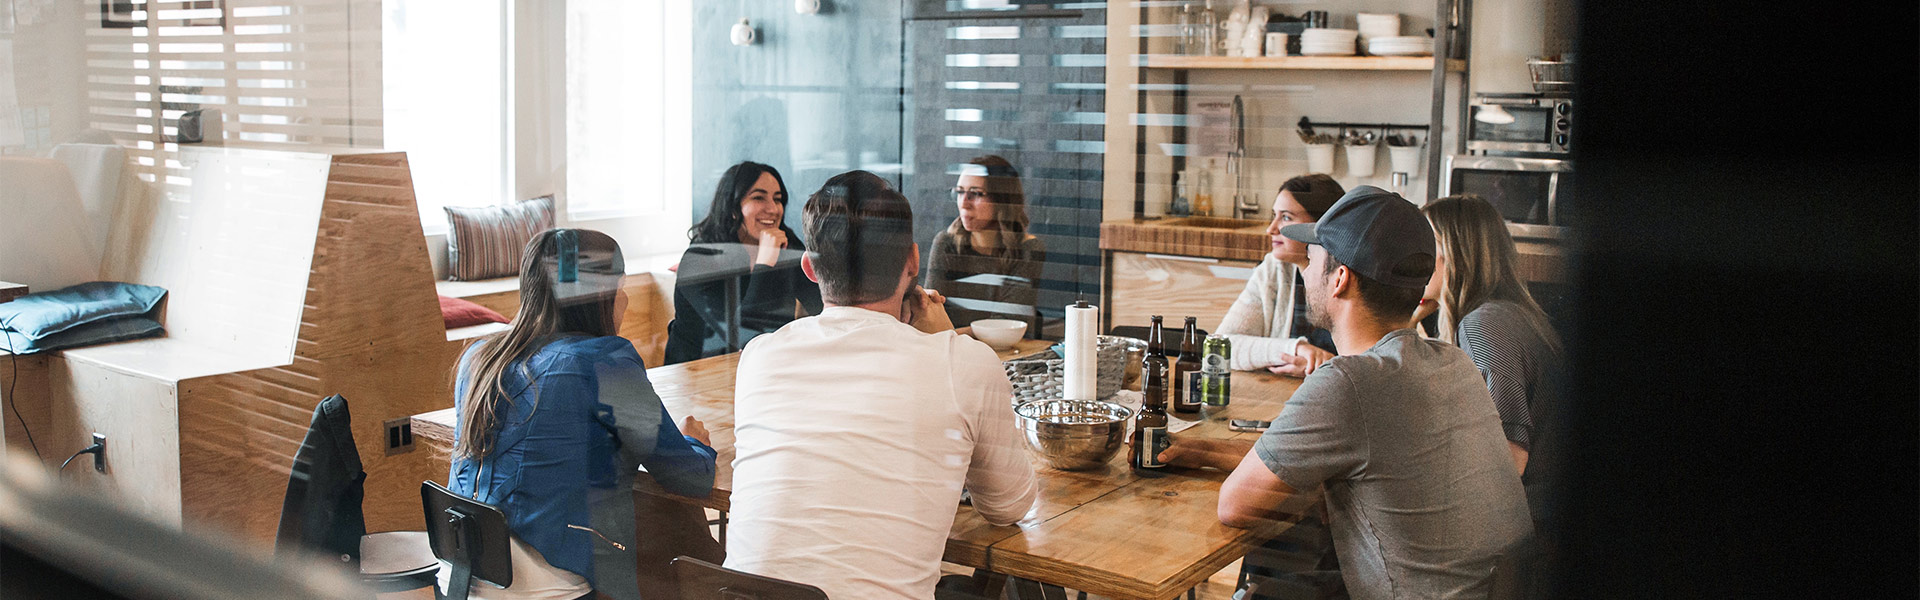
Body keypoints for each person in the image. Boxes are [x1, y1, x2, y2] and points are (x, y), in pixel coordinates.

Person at [1159, 187, 1532, 600]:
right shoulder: (1451, 363)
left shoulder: (1350, 382)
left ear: (1340, 279)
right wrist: (1201, 452)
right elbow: (1355, 465)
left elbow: (1236, 503)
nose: (1304, 265)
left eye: (1313, 254)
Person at [724, 170, 1039, 600]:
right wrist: (944, 340)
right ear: (913, 261)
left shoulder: (759, 357)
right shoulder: (962, 363)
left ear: (810, 268)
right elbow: (1009, 507)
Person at [448, 229, 720, 600]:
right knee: (676, 529)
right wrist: (695, 443)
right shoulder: (603, 361)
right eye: (620, 287)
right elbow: (689, 478)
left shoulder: (479, 359)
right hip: (549, 587)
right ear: (601, 294)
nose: (623, 299)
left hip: (463, 577)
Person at [1416, 194, 1565, 529]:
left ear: (1452, 253)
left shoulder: (1486, 325)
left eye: (1424, 245)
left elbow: (1507, 462)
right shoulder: (1504, 313)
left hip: (1528, 528)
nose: (1414, 258)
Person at [665, 161, 824, 365]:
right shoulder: (699, 259)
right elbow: (744, 337)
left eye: (778, 199)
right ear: (732, 207)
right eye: (758, 198)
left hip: (764, 366)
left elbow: (823, 305)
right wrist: (766, 263)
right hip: (697, 373)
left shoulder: (786, 244)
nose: (773, 209)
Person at [1215, 174, 1343, 377]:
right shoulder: (1274, 269)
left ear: (1321, 225)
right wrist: (1297, 349)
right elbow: (1220, 347)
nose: (1270, 229)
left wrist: (1319, 368)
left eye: (1286, 217)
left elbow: (1370, 366)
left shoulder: (1350, 277)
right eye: (1274, 216)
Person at [924, 155, 1048, 330]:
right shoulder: (946, 243)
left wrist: (951, 335)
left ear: (1001, 200)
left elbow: (1008, 323)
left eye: (975, 194)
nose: (964, 203)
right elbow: (930, 312)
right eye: (959, 192)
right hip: (952, 350)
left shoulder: (1028, 249)